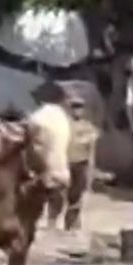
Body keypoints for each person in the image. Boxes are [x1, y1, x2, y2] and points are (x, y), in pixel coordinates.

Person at [47, 94, 98, 231]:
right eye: (74, 107)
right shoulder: (62, 124)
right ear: (69, 108)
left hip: (80, 165)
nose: (77, 110)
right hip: (63, 163)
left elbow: (91, 152)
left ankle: (71, 226)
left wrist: (90, 175)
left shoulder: (89, 127)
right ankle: (51, 224)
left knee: (75, 197)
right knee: (57, 195)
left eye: (80, 107)